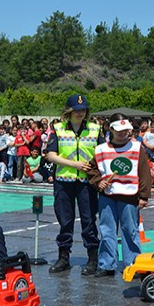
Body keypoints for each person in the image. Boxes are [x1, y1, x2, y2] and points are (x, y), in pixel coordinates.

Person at [87, 114, 151, 277]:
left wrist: (144, 196)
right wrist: (98, 182)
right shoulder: (101, 149)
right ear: (111, 129)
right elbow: (92, 169)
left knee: (130, 231)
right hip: (108, 196)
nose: (124, 134)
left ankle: (133, 264)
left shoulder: (137, 148)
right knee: (107, 231)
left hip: (129, 196)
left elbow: (144, 172)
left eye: (126, 130)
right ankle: (107, 264)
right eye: (120, 130)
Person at [45, 94, 101, 275]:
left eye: (83, 110)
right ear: (68, 111)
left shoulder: (95, 129)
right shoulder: (58, 129)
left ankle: (93, 258)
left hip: (87, 183)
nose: (80, 113)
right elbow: (50, 155)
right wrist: (74, 165)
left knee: (89, 220)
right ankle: (63, 258)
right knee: (65, 220)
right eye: (76, 110)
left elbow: (103, 154)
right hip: (64, 181)